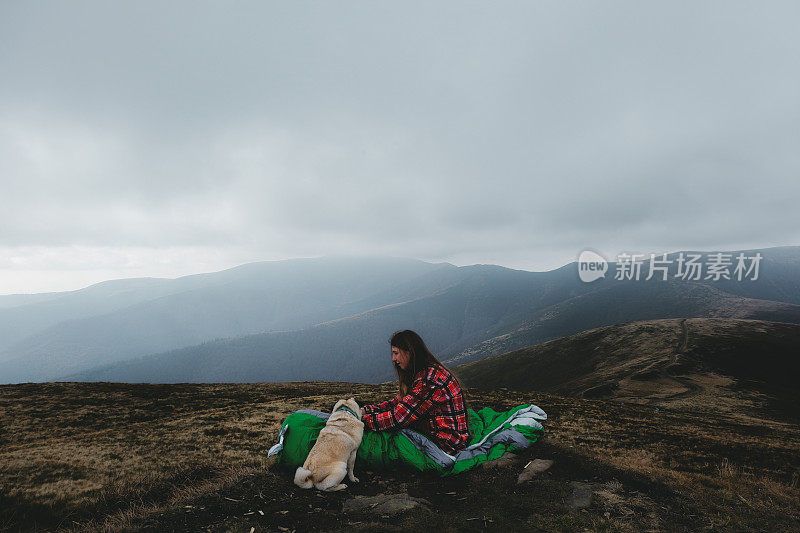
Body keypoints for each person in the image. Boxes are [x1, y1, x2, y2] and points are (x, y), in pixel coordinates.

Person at [361, 330, 471, 455]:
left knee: (382, 442)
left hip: (446, 444)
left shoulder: (428, 381)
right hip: (449, 437)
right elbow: (399, 403)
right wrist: (367, 410)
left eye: (396, 353)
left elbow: (397, 417)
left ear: (409, 352)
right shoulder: (426, 372)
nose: (393, 359)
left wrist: (361, 421)